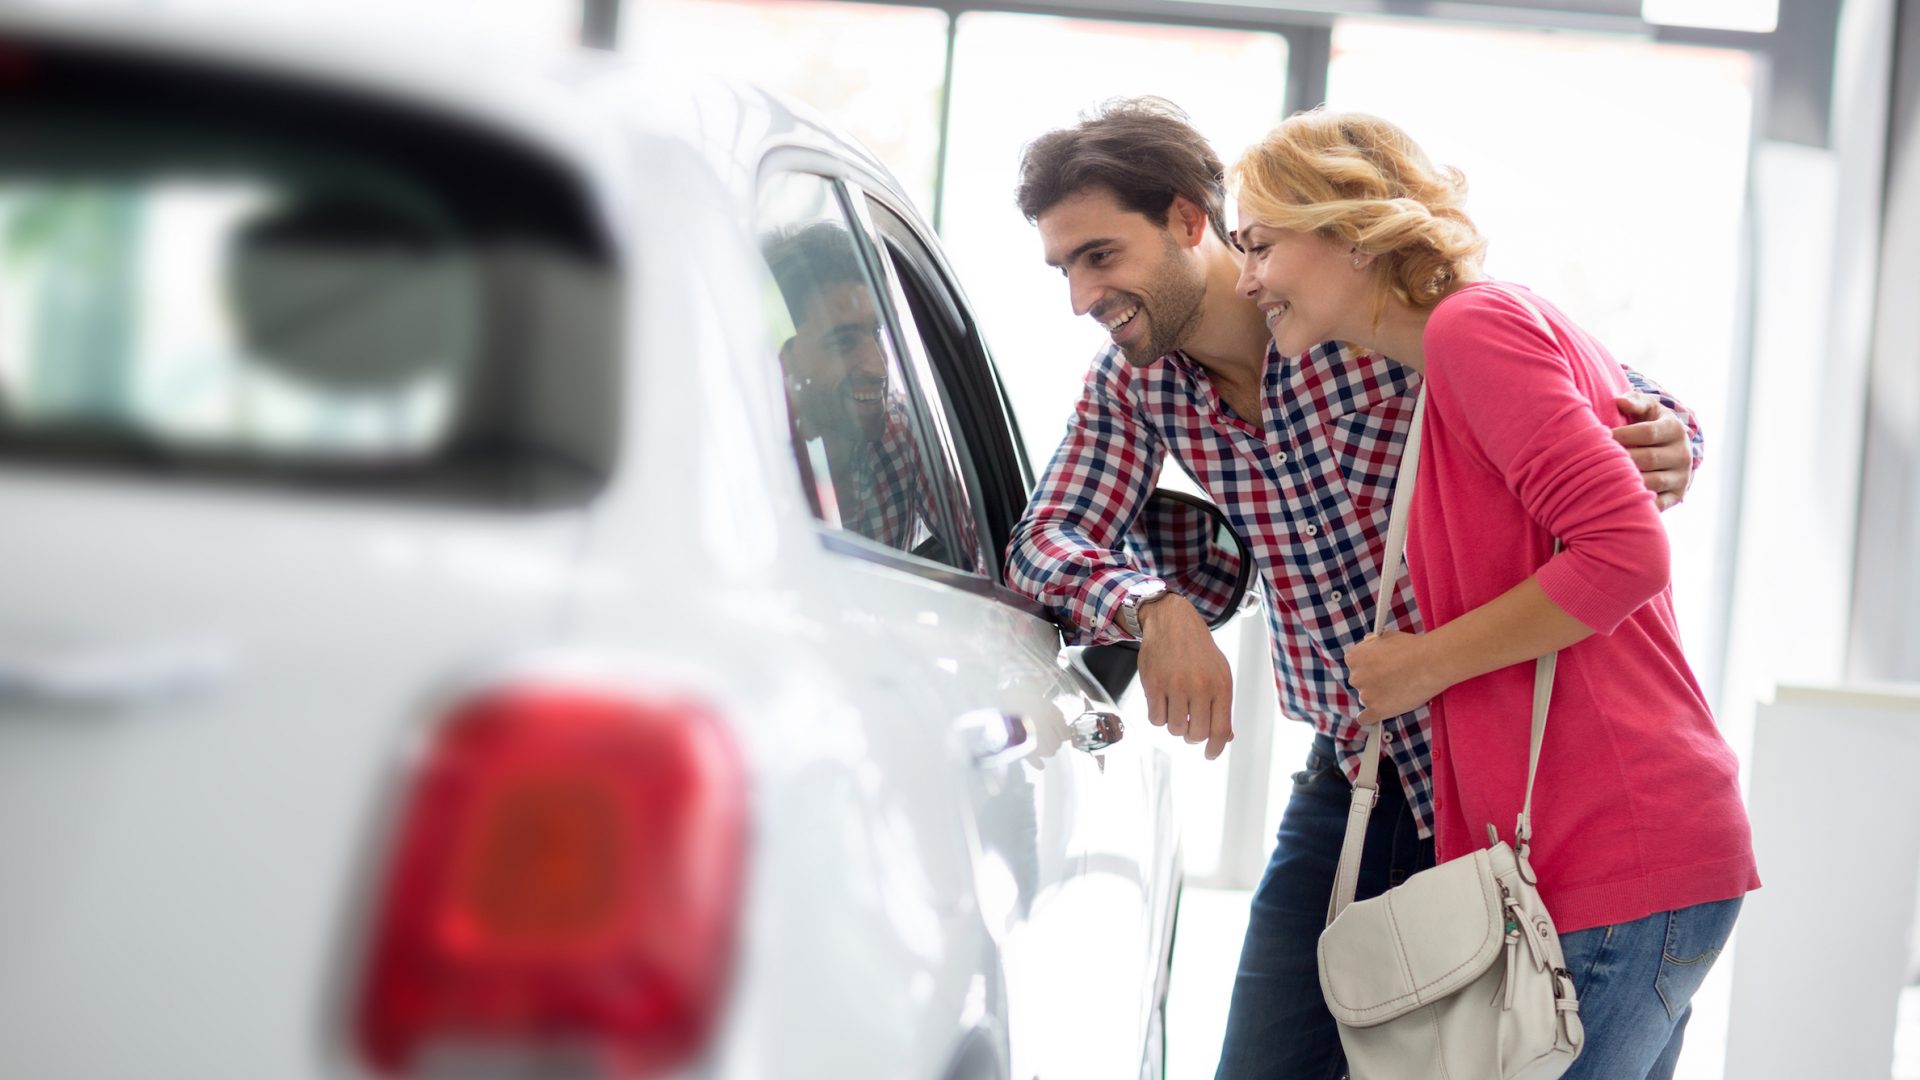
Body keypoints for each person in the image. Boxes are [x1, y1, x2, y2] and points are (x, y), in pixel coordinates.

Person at [1003, 97, 1705, 1079]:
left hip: (1502, 774)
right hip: (1356, 775)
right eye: (1065, 269)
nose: (1083, 296)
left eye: (1100, 256)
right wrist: (1151, 605)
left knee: (1535, 1043)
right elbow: (1044, 539)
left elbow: (1591, 394)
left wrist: (1671, 432)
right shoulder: (1136, 386)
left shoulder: (1359, 304)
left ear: (1189, 220)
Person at [1231, 109, 1756, 1078]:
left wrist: (1420, 666)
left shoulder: (1474, 330)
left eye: (1261, 245)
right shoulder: (1464, 354)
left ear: (1352, 231)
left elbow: (1625, 552)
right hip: (1610, 863)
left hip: (1611, 852)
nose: (1246, 279)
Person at [762, 222, 965, 563]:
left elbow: (982, 555)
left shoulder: (903, 430)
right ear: (784, 359)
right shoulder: (747, 472)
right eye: (843, 342)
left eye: (877, 333)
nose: (879, 368)